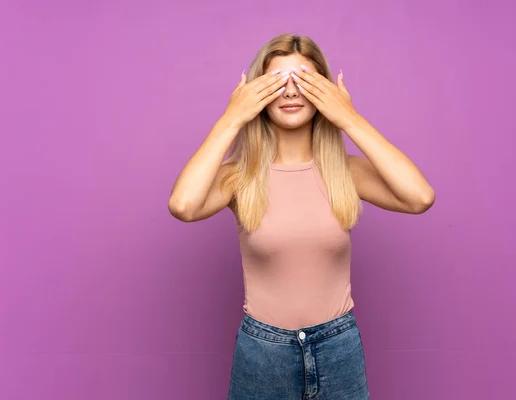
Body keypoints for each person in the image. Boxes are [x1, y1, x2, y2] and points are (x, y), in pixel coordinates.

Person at [168, 33, 435, 400]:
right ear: (256, 96)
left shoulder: (347, 171)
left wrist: (349, 118)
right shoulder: (239, 176)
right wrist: (231, 118)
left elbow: (420, 197)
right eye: (277, 82)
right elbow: (183, 205)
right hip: (264, 354)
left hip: (339, 348)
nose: (291, 92)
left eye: (304, 81)